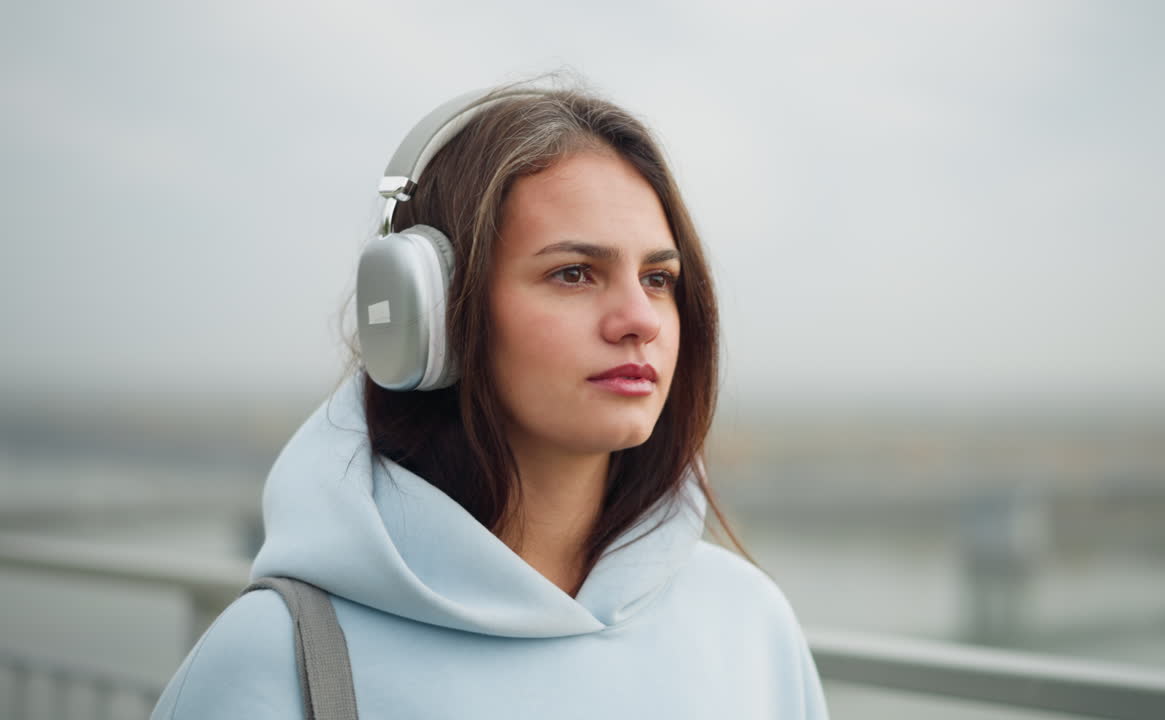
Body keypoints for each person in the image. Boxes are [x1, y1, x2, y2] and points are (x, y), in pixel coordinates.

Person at [151, 79, 829, 719]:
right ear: (436, 314)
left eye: (658, 278)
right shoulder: (276, 658)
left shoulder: (749, 624)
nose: (640, 319)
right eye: (573, 273)